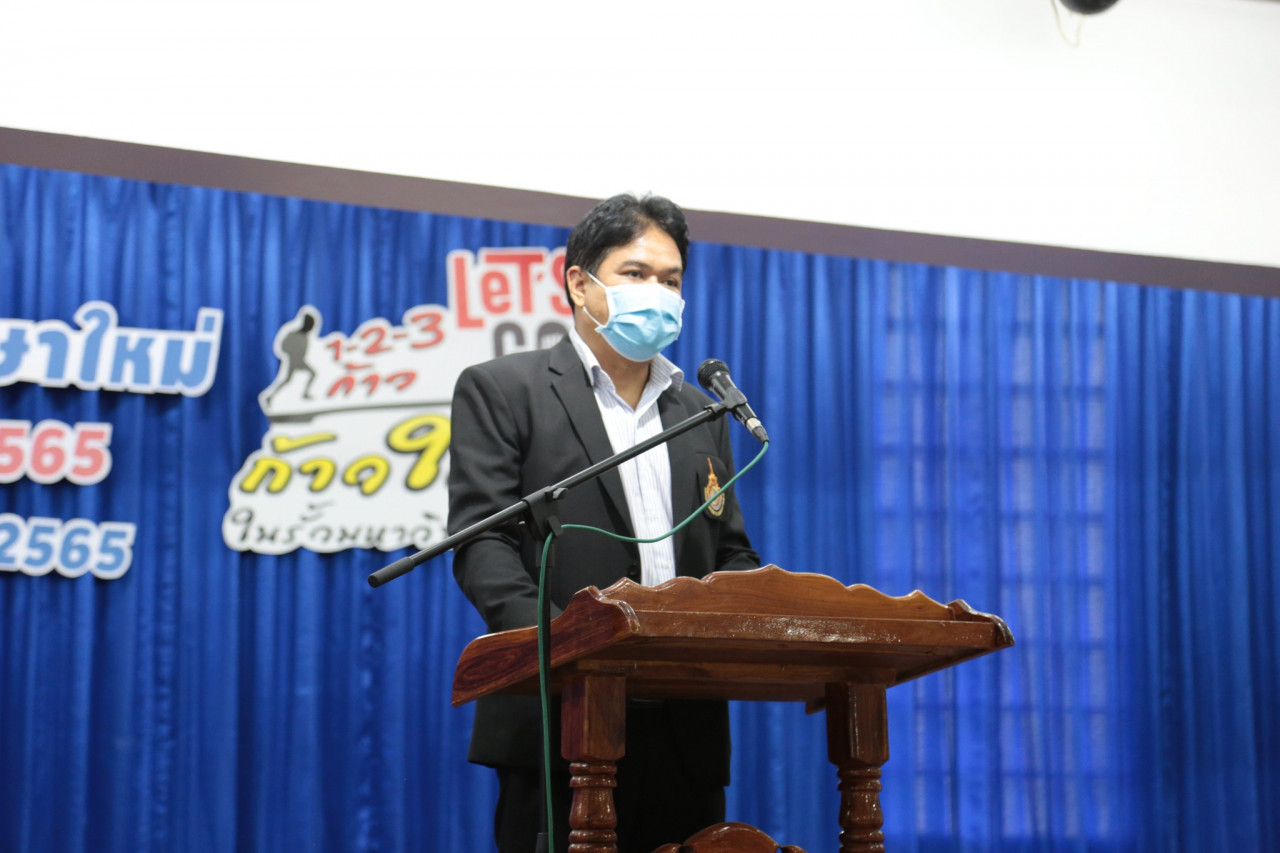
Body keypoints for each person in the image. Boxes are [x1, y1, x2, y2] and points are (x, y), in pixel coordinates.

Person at [447, 193, 760, 853]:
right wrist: (565, 649)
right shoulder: (504, 389)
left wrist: (751, 615)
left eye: (670, 280)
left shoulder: (700, 412)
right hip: (559, 715)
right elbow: (482, 544)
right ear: (579, 283)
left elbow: (729, 552)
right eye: (635, 273)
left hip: (684, 727)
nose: (658, 293)